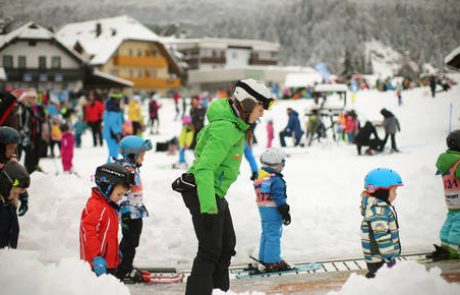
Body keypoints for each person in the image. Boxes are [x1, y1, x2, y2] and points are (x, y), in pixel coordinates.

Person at [172, 78, 274, 294]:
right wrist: (209, 207)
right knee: (210, 250)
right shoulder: (225, 128)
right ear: (245, 104)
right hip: (203, 191)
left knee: (226, 246)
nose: (262, 113)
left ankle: (219, 291)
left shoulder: (234, 126)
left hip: (212, 192)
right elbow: (204, 169)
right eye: (260, 108)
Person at [79, 163, 135, 277]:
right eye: (119, 194)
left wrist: (114, 252)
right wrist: (96, 257)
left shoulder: (109, 206)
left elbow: (108, 235)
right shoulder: (95, 206)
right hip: (95, 265)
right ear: (106, 187)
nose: (120, 198)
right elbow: (88, 232)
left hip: (108, 263)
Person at [116, 136, 153, 282]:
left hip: (135, 211)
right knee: (129, 241)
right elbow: (122, 189)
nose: (143, 159)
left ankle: (126, 265)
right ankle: (123, 269)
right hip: (129, 213)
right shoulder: (127, 169)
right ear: (132, 154)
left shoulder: (131, 167)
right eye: (141, 156)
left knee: (132, 241)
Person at [361, 168, 403, 278]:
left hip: (379, 257)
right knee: (381, 281)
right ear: (382, 191)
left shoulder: (379, 209)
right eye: (394, 191)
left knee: (378, 280)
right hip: (379, 258)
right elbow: (382, 237)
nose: (396, 194)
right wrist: (389, 258)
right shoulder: (378, 212)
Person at [253, 149, 291, 271]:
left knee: (266, 233)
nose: (282, 167)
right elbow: (278, 197)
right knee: (274, 235)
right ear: (275, 165)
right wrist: (285, 211)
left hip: (263, 210)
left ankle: (264, 258)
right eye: (282, 164)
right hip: (274, 210)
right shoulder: (276, 180)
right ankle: (273, 261)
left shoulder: (262, 176)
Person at [426, 130, 460, 261]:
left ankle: (445, 245)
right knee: (458, 225)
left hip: (451, 200)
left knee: (451, 220)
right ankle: (454, 249)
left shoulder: (446, 162)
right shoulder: (458, 162)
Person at [0, 161, 30, 249]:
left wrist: (24, 199)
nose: (16, 196)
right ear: (5, 186)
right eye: (15, 193)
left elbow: (16, 184)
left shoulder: (9, 203)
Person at [103, 93, 124, 162]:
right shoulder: (113, 110)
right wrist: (117, 134)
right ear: (116, 100)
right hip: (112, 134)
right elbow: (112, 123)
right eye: (120, 100)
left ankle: (109, 168)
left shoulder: (110, 108)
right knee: (114, 154)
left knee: (113, 153)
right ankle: (109, 169)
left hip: (110, 134)